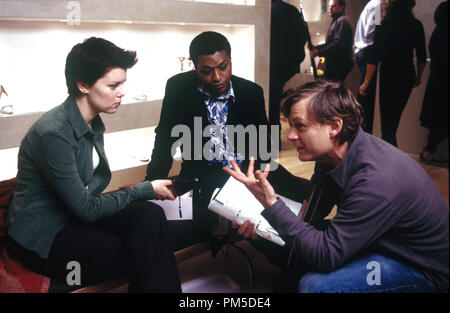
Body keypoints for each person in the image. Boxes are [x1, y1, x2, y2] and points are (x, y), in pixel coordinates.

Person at [224, 80, 449, 293]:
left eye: (300, 126)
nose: (291, 135)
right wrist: (260, 220)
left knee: (316, 285)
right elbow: (310, 218)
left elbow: (325, 254)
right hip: (384, 240)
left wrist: (272, 205)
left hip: (421, 268)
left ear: (334, 126)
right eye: (291, 126)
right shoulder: (333, 156)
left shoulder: (376, 179)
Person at [6, 37, 181, 293]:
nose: (122, 92)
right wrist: (146, 188)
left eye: (122, 84)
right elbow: (86, 209)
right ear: (83, 85)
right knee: (140, 248)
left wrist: (143, 193)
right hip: (45, 236)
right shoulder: (53, 133)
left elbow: (85, 200)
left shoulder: (93, 121)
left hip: (73, 216)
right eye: (113, 85)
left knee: (150, 217)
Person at [145, 31, 301, 254]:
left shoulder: (251, 91)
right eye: (206, 71)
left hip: (249, 171)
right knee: (260, 225)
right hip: (205, 176)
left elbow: (264, 146)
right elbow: (164, 139)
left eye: (223, 66)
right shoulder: (178, 88)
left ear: (230, 61)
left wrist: (262, 179)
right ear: (195, 67)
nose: (217, 77)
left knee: (303, 195)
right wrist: (150, 184)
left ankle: (314, 249)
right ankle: (292, 263)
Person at [360, 0, 426, 147]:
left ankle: (388, 161)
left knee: (387, 125)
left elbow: (374, 57)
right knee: (393, 123)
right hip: (406, 76)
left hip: (388, 76)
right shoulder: (416, 25)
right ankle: (391, 159)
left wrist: (366, 82)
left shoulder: (382, 25)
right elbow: (422, 56)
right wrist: (419, 76)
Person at [269, 0, 307, 145]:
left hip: (273, 62)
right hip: (287, 63)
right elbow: (303, 34)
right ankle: (275, 140)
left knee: (271, 101)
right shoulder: (291, 10)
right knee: (275, 100)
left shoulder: (269, 10)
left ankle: (273, 141)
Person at [419, 1, 448, 166]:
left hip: (437, 83)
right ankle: (430, 150)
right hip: (443, 85)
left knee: (438, 122)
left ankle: (430, 150)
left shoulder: (438, 32)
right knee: (442, 122)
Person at [354, 0, 384, 134]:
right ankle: (362, 139)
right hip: (368, 53)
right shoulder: (378, 5)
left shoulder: (375, 3)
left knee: (365, 101)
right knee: (366, 102)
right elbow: (372, 32)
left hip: (365, 53)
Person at [310, 0, 354, 82]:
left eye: (333, 6)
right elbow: (330, 43)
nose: (330, 9)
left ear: (342, 7)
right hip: (334, 65)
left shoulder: (342, 21)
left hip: (338, 66)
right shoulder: (336, 21)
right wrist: (316, 47)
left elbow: (337, 45)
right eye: (329, 6)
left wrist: (318, 52)